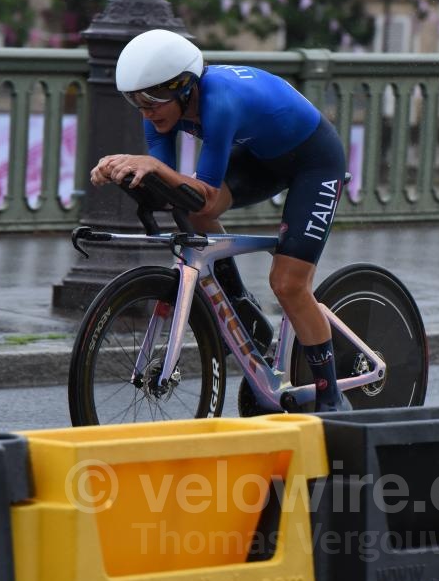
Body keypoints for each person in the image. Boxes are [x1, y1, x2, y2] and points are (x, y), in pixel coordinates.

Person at [89, 29, 351, 412]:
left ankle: (331, 397)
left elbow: (205, 191)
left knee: (288, 284)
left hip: (315, 160)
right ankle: (241, 304)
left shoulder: (219, 101)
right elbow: (180, 193)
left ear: (184, 87)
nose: (146, 110)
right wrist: (121, 170)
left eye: (153, 98)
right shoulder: (158, 114)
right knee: (195, 213)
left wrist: (153, 165)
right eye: (135, 100)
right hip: (262, 158)